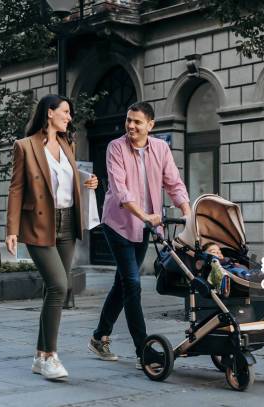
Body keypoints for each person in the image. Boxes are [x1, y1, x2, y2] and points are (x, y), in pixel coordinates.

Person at [88, 101, 191, 369]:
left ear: (150, 125)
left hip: (145, 227)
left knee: (122, 284)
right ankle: (143, 350)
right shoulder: (115, 148)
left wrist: (188, 213)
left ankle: (99, 336)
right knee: (132, 284)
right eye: (128, 120)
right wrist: (145, 215)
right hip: (118, 224)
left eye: (137, 122)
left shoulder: (161, 148)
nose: (131, 126)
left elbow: (173, 183)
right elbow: (121, 191)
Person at [6, 94, 98, 381]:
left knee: (53, 290)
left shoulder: (68, 143)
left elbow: (69, 180)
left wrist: (89, 181)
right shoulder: (25, 146)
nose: (69, 117)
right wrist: (11, 229)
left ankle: (39, 356)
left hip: (68, 222)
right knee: (59, 285)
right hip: (38, 224)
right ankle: (51, 356)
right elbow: (16, 189)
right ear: (50, 113)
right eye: (66, 112)